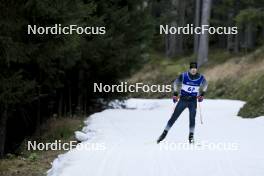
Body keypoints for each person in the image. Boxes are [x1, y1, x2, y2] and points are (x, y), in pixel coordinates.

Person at [157, 62, 208, 144]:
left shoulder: (201, 77)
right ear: (190, 69)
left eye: (195, 69)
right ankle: (164, 134)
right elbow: (175, 83)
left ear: (197, 69)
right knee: (174, 117)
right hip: (183, 100)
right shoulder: (184, 76)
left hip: (193, 101)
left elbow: (205, 84)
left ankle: (191, 136)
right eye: (192, 69)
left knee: (192, 119)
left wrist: (202, 94)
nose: (194, 70)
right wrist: (175, 94)